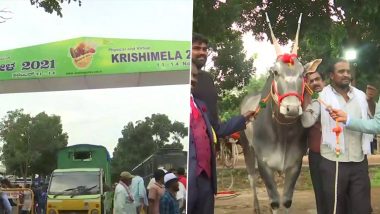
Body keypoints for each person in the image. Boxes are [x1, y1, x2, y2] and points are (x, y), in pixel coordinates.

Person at [303, 59, 373, 214]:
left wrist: (371, 101)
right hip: (333, 163)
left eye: (348, 71)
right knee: (335, 209)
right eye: (341, 71)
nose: (346, 74)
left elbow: (373, 121)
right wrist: (306, 94)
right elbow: (306, 121)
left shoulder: (361, 96)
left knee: (362, 209)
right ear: (331, 75)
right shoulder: (321, 98)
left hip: (359, 160)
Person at [188, 62, 252, 214]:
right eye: (188, 75)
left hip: (206, 178)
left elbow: (217, 130)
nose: (192, 79)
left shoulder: (201, 105)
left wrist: (243, 119)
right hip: (188, 178)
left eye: (195, 76)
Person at [191, 33, 255, 138]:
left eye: (204, 49)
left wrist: (243, 118)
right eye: (197, 48)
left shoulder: (208, 79)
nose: (202, 52)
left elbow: (216, 129)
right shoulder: (176, 79)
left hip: (207, 149)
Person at [301, 68, 325, 214]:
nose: (315, 83)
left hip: (334, 154)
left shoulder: (332, 99)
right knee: (320, 192)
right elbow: (306, 122)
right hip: (315, 155)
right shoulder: (309, 101)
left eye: (317, 79)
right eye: (311, 81)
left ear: (324, 81)